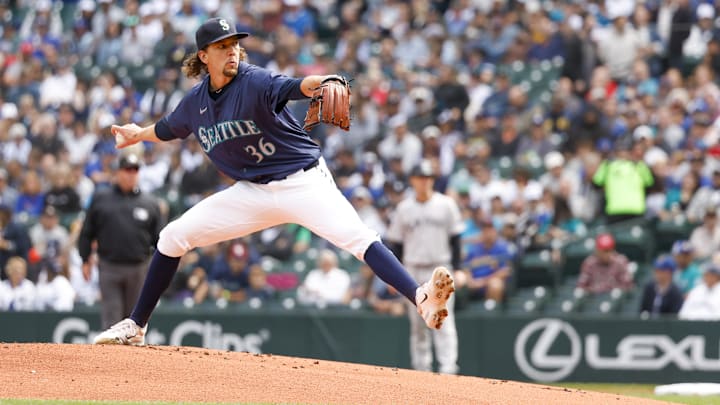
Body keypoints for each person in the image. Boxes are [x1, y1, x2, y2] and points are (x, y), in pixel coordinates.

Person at [93, 18, 454, 345]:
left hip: (303, 183)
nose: (232, 51)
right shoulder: (195, 103)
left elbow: (298, 86)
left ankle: (421, 298)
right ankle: (136, 326)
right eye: (222, 46)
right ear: (204, 56)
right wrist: (137, 134)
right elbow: (169, 128)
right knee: (173, 236)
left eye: (234, 44)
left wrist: (323, 83)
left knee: (360, 239)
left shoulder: (255, 80)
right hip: (253, 192)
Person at [386, 161, 464, 375]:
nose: (424, 181)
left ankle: (448, 369)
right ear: (412, 180)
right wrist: (395, 277)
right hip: (413, 268)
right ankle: (422, 370)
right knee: (418, 324)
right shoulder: (404, 208)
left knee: (443, 320)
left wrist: (458, 269)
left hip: (440, 268)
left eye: (428, 177)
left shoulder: (446, 204)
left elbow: (456, 239)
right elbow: (396, 245)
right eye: (421, 177)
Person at [78, 153, 164, 329]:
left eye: (135, 170)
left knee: (135, 321)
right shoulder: (101, 198)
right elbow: (87, 231)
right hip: (109, 266)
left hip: (139, 268)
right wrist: (85, 259)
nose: (131, 174)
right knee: (112, 319)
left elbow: (160, 241)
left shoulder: (150, 203)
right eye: (127, 170)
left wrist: (158, 270)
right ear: (117, 173)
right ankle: (111, 358)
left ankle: (131, 358)